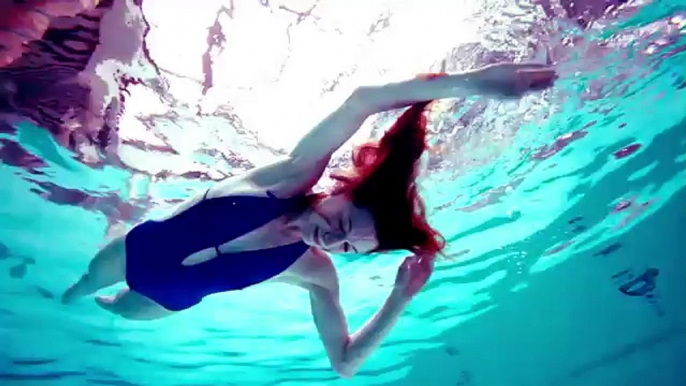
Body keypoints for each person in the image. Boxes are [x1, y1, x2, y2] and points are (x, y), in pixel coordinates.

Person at [62, 62, 556, 377]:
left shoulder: (314, 271)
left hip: (167, 300)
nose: (331, 238)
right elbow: (362, 100)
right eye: (342, 222)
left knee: (116, 310)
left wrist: (400, 298)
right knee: (83, 282)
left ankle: (93, 296)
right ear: (342, 191)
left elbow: (344, 364)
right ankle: (102, 240)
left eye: (345, 246)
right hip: (138, 249)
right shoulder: (288, 178)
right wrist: (473, 84)